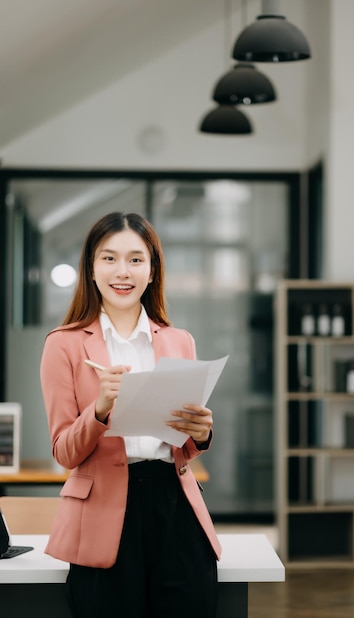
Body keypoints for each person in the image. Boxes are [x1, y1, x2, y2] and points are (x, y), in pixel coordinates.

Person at [40, 212, 221, 618]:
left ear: (153, 270)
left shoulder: (179, 340)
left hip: (175, 510)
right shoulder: (63, 345)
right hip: (103, 513)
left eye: (136, 260)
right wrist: (100, 410)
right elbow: (64, 452)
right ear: (90, 268)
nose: (123, 271)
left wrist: (202, 433)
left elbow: (184, 449)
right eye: (109, 258)